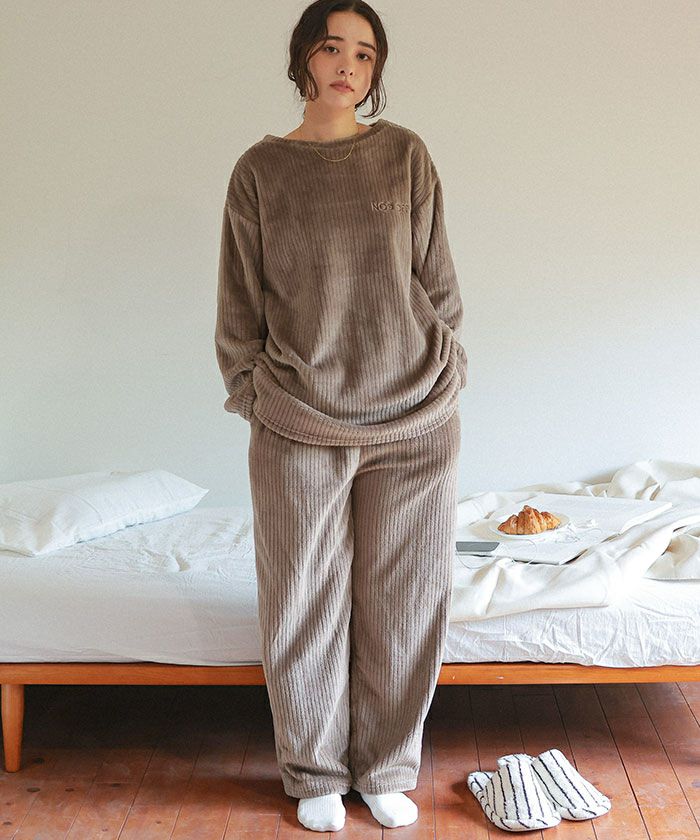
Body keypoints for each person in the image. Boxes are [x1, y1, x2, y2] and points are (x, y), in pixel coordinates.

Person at [215, 0, 468, 831]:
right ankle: (314, 771)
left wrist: (447, 365)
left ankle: (387, 766)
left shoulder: (404, 154)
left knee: (406, 600)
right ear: (303, 58)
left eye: (364, 53)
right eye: (332, 48)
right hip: (298, 419)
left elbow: (437, 280)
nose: (348, 66)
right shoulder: (260, 170)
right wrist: (254, 393)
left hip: (415, 418)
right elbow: (239, 305)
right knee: (301, 600)